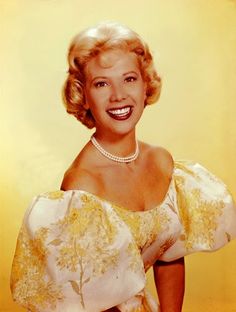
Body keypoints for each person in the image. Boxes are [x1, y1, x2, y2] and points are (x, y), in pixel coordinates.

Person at [10, 22, 236, 312]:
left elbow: (170, 257)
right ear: (84, 96)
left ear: (146, 85)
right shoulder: (83, 186)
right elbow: (88, 301)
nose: (118, 95)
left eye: (129, 79)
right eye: (101, 83)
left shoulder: (162, 162)